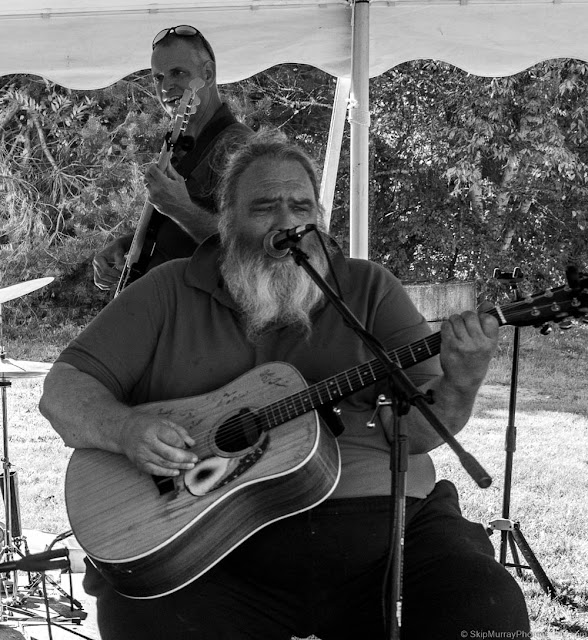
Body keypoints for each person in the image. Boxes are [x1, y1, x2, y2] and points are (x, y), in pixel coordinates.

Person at [40, 131, 530, 640]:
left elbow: (420, 432)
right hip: (213, 544)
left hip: (382, 531)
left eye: (300, 206)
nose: (287, 222)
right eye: (264, 207)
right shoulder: (168, 289)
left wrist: (463, 381)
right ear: (227, 219)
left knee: (485, 606)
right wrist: (124, 429)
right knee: (143, 619)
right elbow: (63, 390)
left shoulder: (369, 288)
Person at [92, 24, 252, 291]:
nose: (166, 86)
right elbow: (177, 231)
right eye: (158, 77)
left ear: (208, 74)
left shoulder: (241, 147)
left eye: (178, 72)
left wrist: (181, 208)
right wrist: (127, 245)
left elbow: (250, 248)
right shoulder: (178, 142)